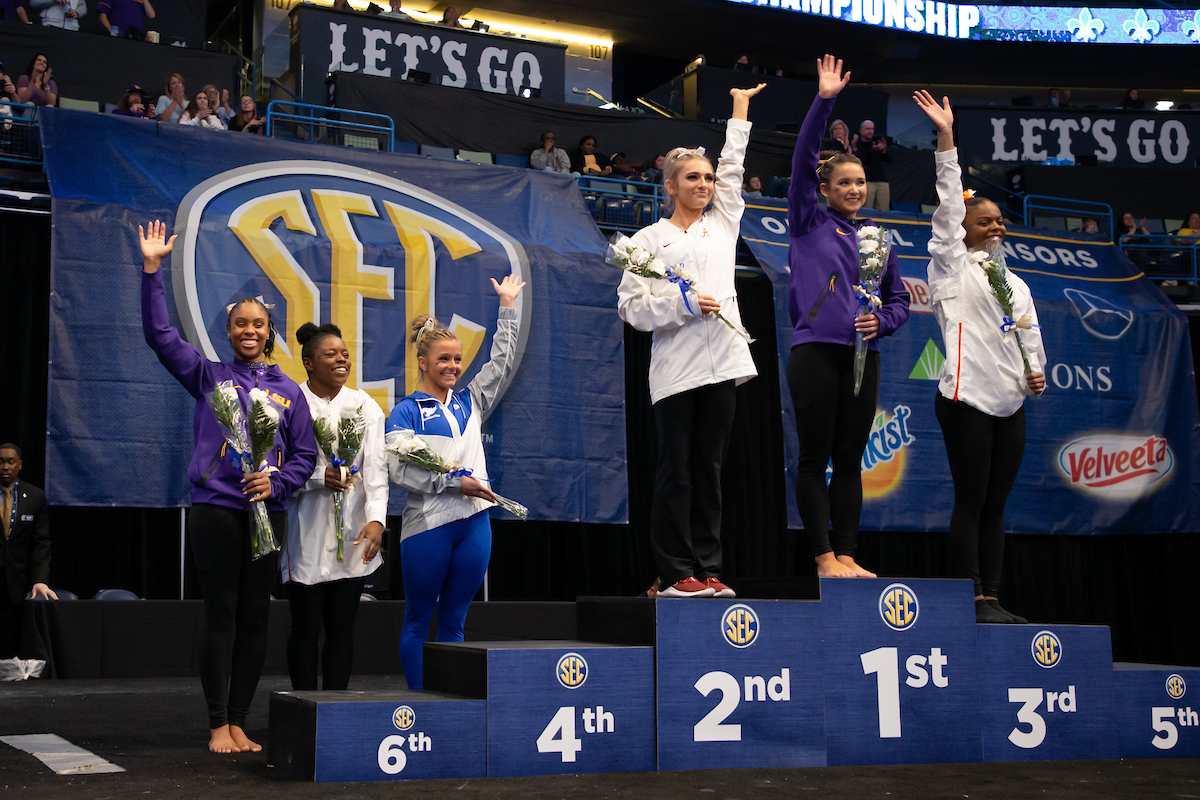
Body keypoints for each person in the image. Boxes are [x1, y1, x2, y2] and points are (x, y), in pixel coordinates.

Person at [139, 220, 318, 753]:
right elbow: (160, 337)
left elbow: (305, 456)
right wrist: (152, 269)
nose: (249, 331)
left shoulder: (290, 391)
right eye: (240, 324)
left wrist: (277, 483)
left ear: (269, 331)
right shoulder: (208, 375)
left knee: (256, 615)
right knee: (220, 613)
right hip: (216, 510)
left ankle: (240, 720)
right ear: (229, 331)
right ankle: (217, 722)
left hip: (268, 513)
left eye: (258, 324)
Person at [617, 83, 766, 598]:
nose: (704, 184)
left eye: (708, 177)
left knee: (710, 471)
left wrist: (739, 110)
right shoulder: (647, 241)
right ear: (670, 186)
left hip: (723, 364)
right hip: (676, 372)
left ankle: (709, 568)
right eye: (692, 177)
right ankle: (676, 571)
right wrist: (682, 305)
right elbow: (631, 308)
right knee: (675, 473)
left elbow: (734, 166)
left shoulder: (722, 225)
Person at [914, 89, 1046, 624]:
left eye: (999, 221)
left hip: (1010, 402)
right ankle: (969, 597)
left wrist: (1036, 373)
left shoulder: (1016, 282)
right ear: (964, 230)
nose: (995, 227)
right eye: (984, 221)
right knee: (971, 499)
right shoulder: (950, 267)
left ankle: (992, 595)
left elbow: (1028, 333)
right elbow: (949, 204)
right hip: (964, 398)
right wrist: (947, 139)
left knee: (997, 504)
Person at [786, 56, 910, 579]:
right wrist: (824, 101)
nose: (855, 190)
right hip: (816, 353)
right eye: (845, 183)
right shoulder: (808, 220)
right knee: (815, 458)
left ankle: (847, 555)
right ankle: (822, 557)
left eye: (860, 182)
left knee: (851, 459)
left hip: (864, 357)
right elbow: (803, 159)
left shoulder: (878, 240)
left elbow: (899, 301)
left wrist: (882, 323)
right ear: (826, 189)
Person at [386, 273, 525, 689]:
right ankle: (419, 702)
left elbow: (502, 362)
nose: (452, 367)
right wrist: (452, 484)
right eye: (443, 359)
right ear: (423, 362)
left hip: (475, 524)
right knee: (417, 619)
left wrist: (508, 308)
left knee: (455, 621)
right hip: (428, 526)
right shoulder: (406, 412)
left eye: (458, 359)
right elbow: (399, 471)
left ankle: (448, 704)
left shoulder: (471, 401)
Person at [280, 323, 386, 692]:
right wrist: (315, 477)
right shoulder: (291, 402)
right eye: (331, 354)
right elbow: (276, 469)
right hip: (305, 532)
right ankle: (303, 706)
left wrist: (376, 520)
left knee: (342, 629)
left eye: (345, 354)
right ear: (309, 363)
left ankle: (336, 710)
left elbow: (376, 471)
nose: (342, 360)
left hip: (353, 533)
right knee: (305, 628)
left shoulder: (364, 405)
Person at [0, 444, 56, 659]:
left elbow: (41, 543)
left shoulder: (34, 496)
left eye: (10, 462)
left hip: (17, 582)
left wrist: (40, 579)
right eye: (1, 461)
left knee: (11, 645)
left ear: (20, 465)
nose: (5, 466)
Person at [852, 118, 891, 211]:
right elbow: (860, 161)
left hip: (882, 181)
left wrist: (883, 151)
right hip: (867, 181)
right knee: (866, 209)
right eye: (867, 129)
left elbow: (889, 160)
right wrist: (872, 150)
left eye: (872, 129)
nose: (870, 131)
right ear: (861, 130)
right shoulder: (858, 144)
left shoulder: (877, 143)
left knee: (884, 210)